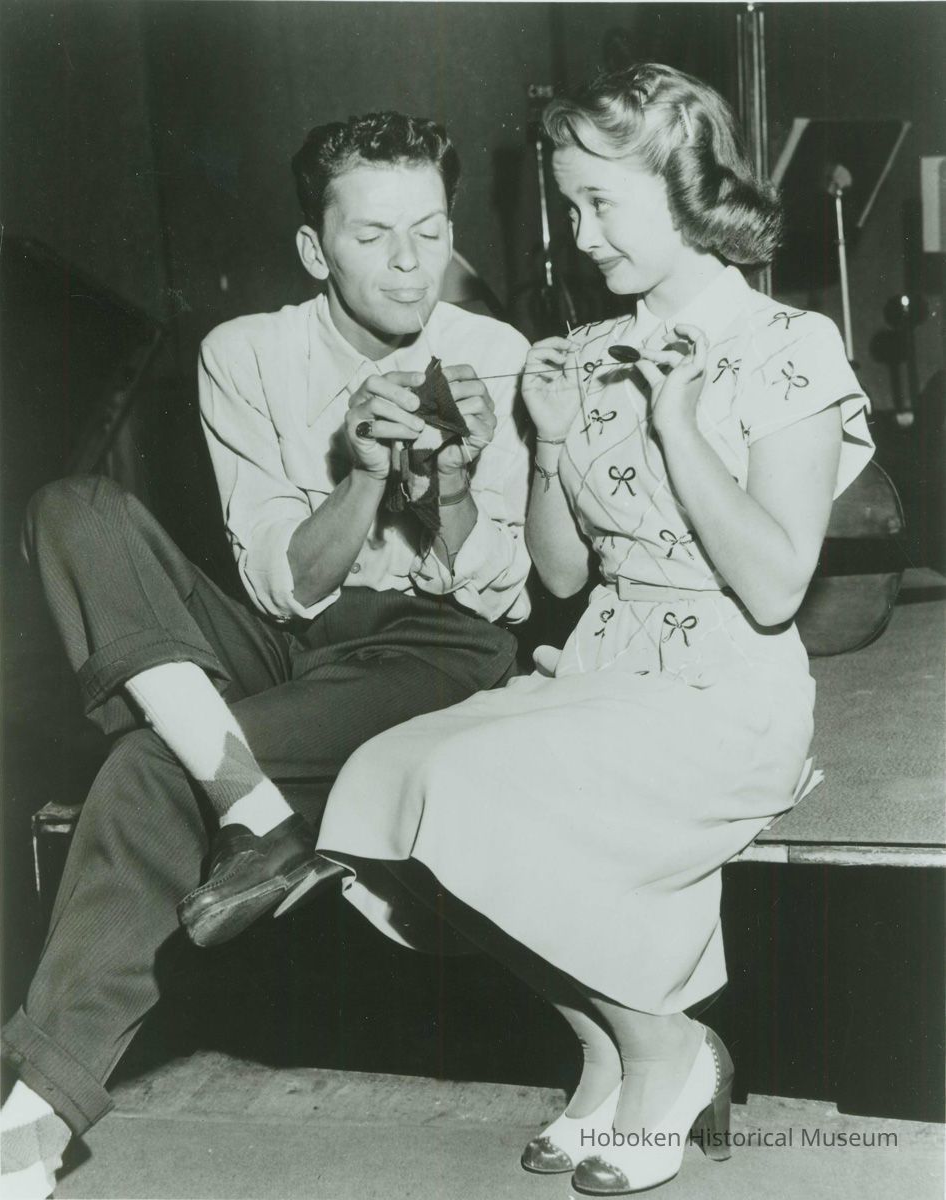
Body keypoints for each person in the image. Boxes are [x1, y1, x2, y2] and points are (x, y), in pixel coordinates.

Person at [314, 64, 874, 1196]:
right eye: (566, 207)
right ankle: (607, 1047)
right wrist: (557, 444)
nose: (576, 236)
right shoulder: (573, 353)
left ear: (683, 189)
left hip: (724, 690)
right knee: (384, 776)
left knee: (470, 790)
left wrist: (676, 427)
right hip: (603, 663)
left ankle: (665, 1046)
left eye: (598, 204)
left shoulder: (787, 349)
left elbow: (772, 588)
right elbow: (561, 572)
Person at [0, 111, 531, 1198]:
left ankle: (30, 1120)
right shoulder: (245, 352)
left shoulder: (496, 355)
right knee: (74, 507)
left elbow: (504, 592)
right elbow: (276, 582)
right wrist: (367, 476)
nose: (406, 262)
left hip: (428, 642)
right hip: (286, 633)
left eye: (428, 231)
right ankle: (256, 813)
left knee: (152, 764)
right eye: (372, 235)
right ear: (312, 249)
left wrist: (456, 485)